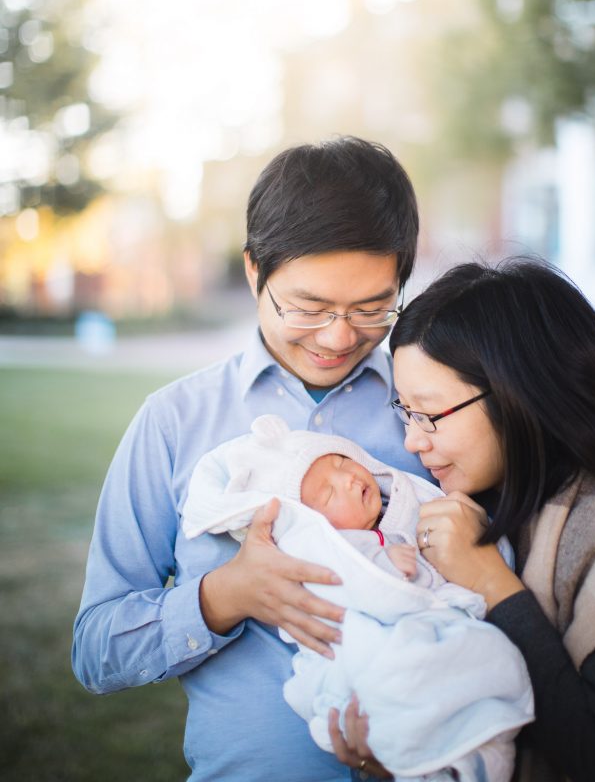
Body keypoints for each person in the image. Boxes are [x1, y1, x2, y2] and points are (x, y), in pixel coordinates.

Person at [72, 136, 428, 782]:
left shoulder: (432, 415)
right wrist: (220, 597)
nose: (339, 335)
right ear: (252, 271)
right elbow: (96, 647)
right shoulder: (174, 424)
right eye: (308, 308)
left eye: (373, 308)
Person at [371, 258, 595, 782]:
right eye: (404, 410)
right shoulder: (495, 488)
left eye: (429, 413)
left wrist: (494, 584)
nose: (412, 440)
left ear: (521, 392)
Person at [180, 413, 534, 782]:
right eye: (329, 493)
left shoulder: (397, 521)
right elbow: (360, 587)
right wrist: (388, 565)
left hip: (432, 632)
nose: (348, 479)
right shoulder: (330, 554)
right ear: (315, 528)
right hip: (379, 651)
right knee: (415, 682)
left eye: (342, 462)